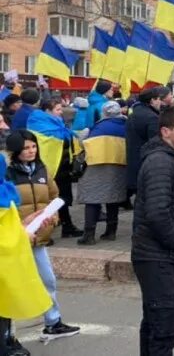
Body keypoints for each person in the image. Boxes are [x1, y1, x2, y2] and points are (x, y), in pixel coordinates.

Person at [4, 131, 81, 342]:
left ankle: (53, 322)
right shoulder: (6, 173)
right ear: (15, 150)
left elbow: (53, 195)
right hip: (15, 239)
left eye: (33, 147)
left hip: (40, 236)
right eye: (26, 148)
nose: (31, 151)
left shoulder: (42, 169)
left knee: (48, 279)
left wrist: (52, 216)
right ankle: (8, 335)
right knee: (11, 287)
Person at [131, 106, 174, 356]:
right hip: (155, 255)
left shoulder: (168, 158)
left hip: (156, 254)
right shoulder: (161, 162)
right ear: (166, 132)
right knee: (163, 329)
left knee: (154, 323)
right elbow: (157, 213)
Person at [27, 98, 82, 238]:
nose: (60, 112)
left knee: (61, 200)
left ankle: (67, 227)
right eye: (57, 109)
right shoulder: (38, 124)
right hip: (47, 169)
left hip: (62, 168)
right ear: (47, 111)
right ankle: (43, 233)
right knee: (47, 201)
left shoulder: (58, 124)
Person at [76, 101, 128, 245]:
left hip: (96, 165)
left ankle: (89, 235)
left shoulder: (97, 127)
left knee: (92, 199)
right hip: (119, 166)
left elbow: (83, 143)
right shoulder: (126, 126)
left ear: (104, 112)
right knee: (114, 199)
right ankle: (111, 232)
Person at [126, 87, 166, 196]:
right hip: (146, 161)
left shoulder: (132, 114)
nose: (160, 102)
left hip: (133, 159)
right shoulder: (152, 117)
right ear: (152, 100)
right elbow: (155, 142)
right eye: (158, 99)